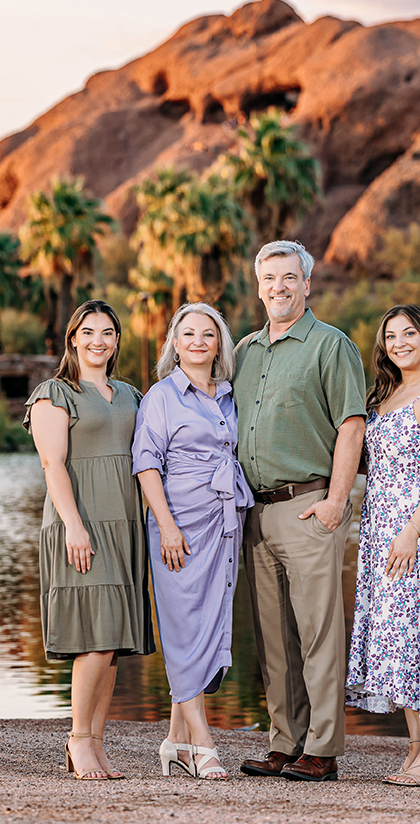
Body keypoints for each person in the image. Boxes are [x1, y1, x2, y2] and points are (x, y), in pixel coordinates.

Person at [233, 240, 367, 783]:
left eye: (289, 278)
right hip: (255, 514)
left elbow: (352, 425)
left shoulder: (331, 346)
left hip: (309, 506)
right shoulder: (243, 351)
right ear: (259, 286)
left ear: (307, 284)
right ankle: (284, 742)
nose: (279, 288)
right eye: (270, 279)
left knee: (318, 633)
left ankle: (323, 747)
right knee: (274, 638)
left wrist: (337, 501)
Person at [24, 299, 155, 781]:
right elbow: (52, 464)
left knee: (114, 640)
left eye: (107, 333)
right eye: (89, 332)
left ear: (117, 340)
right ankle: (78, 738)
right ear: (73, 339)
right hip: (80, 524)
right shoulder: (54, 393)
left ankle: (96, 744)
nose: (98, 340)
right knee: (95, 639)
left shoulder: (130, 395)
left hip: (124, 524)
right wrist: (74, 526)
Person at [133, 303, 253, 781]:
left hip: (223, 524)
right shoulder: (161, 397)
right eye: (189, 334)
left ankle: (175, 742)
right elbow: (146, 464)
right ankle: (203, 743)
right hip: (177, 525)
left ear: (219, 343)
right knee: (183, 628)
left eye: (209, 334)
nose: (199, 341)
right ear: (175, 344)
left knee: (209, 622)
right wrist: (165, 524)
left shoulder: (230, 397)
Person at [346, 304, 420, 787]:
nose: (400, 342)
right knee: (392, 634)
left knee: (414, 633)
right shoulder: (386, 397)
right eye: (391, 336)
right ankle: (418, 750)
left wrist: (411, 530)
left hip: (410, 533)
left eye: (409, 333)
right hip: (377, 533)